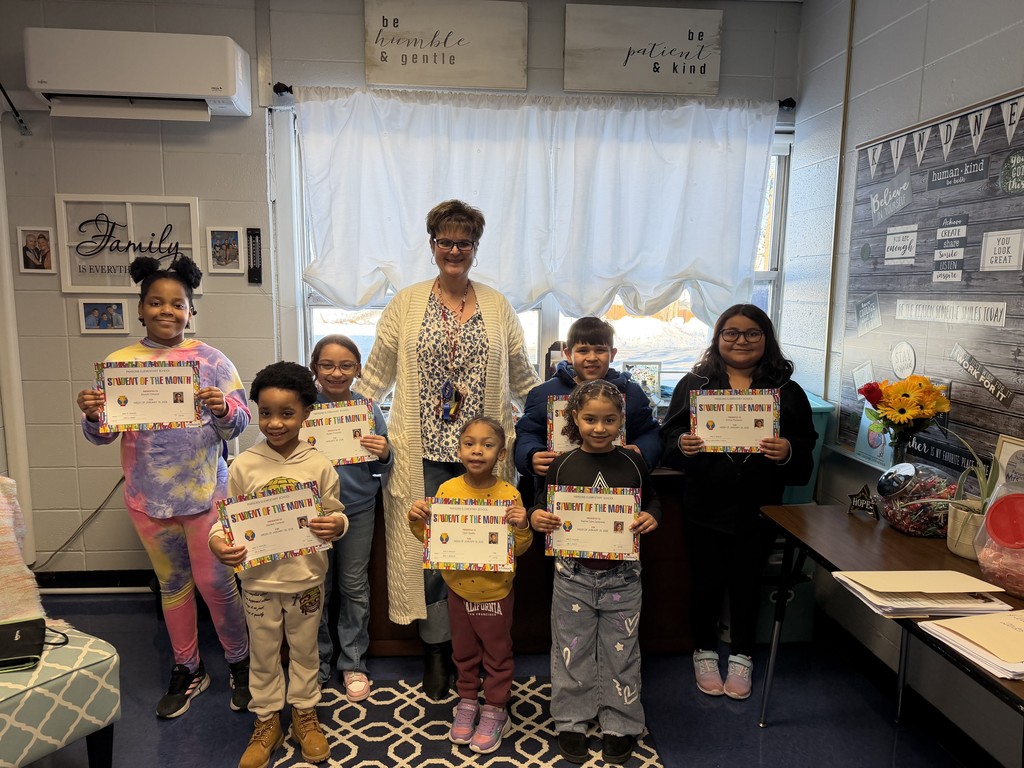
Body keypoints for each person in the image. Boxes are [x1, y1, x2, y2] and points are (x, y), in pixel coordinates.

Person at [359, 199, 540, 699]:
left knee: (480, 558)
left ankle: (486, 652)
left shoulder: (498, 306)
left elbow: (523, 377)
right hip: (423, 457)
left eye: (464, 242)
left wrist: (557, 417)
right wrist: (338, 421)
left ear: (476, 249)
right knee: (433, 559)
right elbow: (375, 374)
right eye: (445, 241)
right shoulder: (407, 303)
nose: (454, 249)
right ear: (433, 246)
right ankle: (439, 651)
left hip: (483, 457)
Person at [76, 255, 251, 719]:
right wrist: (94, 414)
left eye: (178, 304)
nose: (167, 311)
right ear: (140, 308)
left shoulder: (213, 361)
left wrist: (221, 408)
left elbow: (240, 425)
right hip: (147, 500)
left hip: (205, 497)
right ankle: (188, 667)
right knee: (172, 586)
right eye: (156, 302)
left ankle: (240, 663)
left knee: (217, 584)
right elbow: (103, 434)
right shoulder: (119, 364)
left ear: (191, 310)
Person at [660, 304, 817, 701]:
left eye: (751, 333)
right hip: (705, 506)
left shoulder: (786, 391)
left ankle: (744, 656)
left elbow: (805, 448)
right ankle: (705, 652)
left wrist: (787, 451)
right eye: (731, 332)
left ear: (766, 339)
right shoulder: (695, 384)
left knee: (747, 584)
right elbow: (669, 438)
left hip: (759, 508)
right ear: (717, 338)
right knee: (706, 583)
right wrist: (682, 444)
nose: (741, 340)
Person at [210, 361, 348, 768]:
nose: (275, 423)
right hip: (257, 582)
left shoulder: (319, 464)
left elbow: (338, 514)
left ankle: (304, 713)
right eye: (266, 413)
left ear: (307, 412)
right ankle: (267, 719)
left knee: (306, 650)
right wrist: (219, 543)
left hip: (305, 578)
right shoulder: (244, 465)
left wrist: (334, 524)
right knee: (264, 652)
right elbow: (224, 520)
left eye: (287, 413)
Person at [529, 380, 660, 765]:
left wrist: (652, 515)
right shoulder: (561, 463)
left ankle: (620, 721)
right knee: (573, 650)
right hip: (572, 576)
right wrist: (538, 516)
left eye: (609, 420)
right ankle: (571, 719)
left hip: (623, 576)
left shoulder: (634, 461)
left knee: (621, 651)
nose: (599, 428)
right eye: (590, 419)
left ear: (622, 420)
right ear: (574, 419)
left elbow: (652, 498)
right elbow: (541, 503)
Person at [408, 416, 532, 754]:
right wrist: (417, 520)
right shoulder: (447, 490)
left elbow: (518, 548)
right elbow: (433, 541)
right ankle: (466, 701)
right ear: (459, 449)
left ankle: (495, 708)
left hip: (495, 592)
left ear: (502, 454)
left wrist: (522, 526)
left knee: (496, 652)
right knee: (463, 652)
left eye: (487, 445)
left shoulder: (509, 494)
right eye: (469, 443)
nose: (477, 451)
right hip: (457, 591)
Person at [309, 334, 392, 701]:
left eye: (345, 365)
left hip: (358, 508)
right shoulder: (303, 407)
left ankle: (353, 662)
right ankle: (317, 662)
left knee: (353, 586)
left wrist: (384, 451)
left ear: (358, 369)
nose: (336, 372)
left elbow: (386, 464)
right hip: (311, 515)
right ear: (314, 368)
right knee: (318, 589)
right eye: (327, 364)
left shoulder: (368, 409)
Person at [515, 316, 661, 485]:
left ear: (612, 354)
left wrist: (642, 449)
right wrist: (531, 455)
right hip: (560, 490)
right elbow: (527, 433)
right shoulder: (543, 394)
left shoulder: (631, 393)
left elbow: (650, 432)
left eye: (600, 350)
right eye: (583, 350)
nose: (592, 357)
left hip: (617, 487)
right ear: (568, 354)